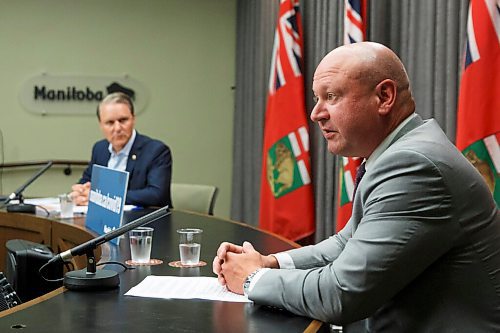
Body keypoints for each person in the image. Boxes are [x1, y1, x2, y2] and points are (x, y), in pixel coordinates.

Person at [213, 42, 500, 332]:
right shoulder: (402, 151)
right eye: (317, 98)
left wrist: (252, 279)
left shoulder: (412, 165)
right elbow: (346, 242)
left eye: (331, 96)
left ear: (384, 97)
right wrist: (269, 262)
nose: (316, 114)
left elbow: (342, 294)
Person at [71, 92, 172, 208]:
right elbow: (88, 179)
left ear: (133, 119)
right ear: (101, 125)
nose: (117, 128)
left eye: (123, 120)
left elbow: (156, 195)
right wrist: (80, 190)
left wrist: (104, 197)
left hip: (146, 221)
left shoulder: (156, 151)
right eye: (110, 122)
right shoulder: (100, 148)